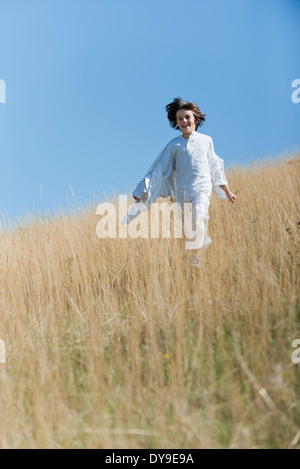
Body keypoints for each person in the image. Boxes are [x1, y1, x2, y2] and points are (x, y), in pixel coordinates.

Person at [130, 97, 236, 263]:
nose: (184, 121)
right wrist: (141, 190)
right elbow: (159, 169)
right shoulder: (174, 145)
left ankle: (197, 257)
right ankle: (192, 256)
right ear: (176, 122)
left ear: (195, 119)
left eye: (187, 117)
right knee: (187, 228)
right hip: (181, 191)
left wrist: (226, 190)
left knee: (199, 217)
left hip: (202, 188)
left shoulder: (206, 141)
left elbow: (215, 166)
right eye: (180, 118)